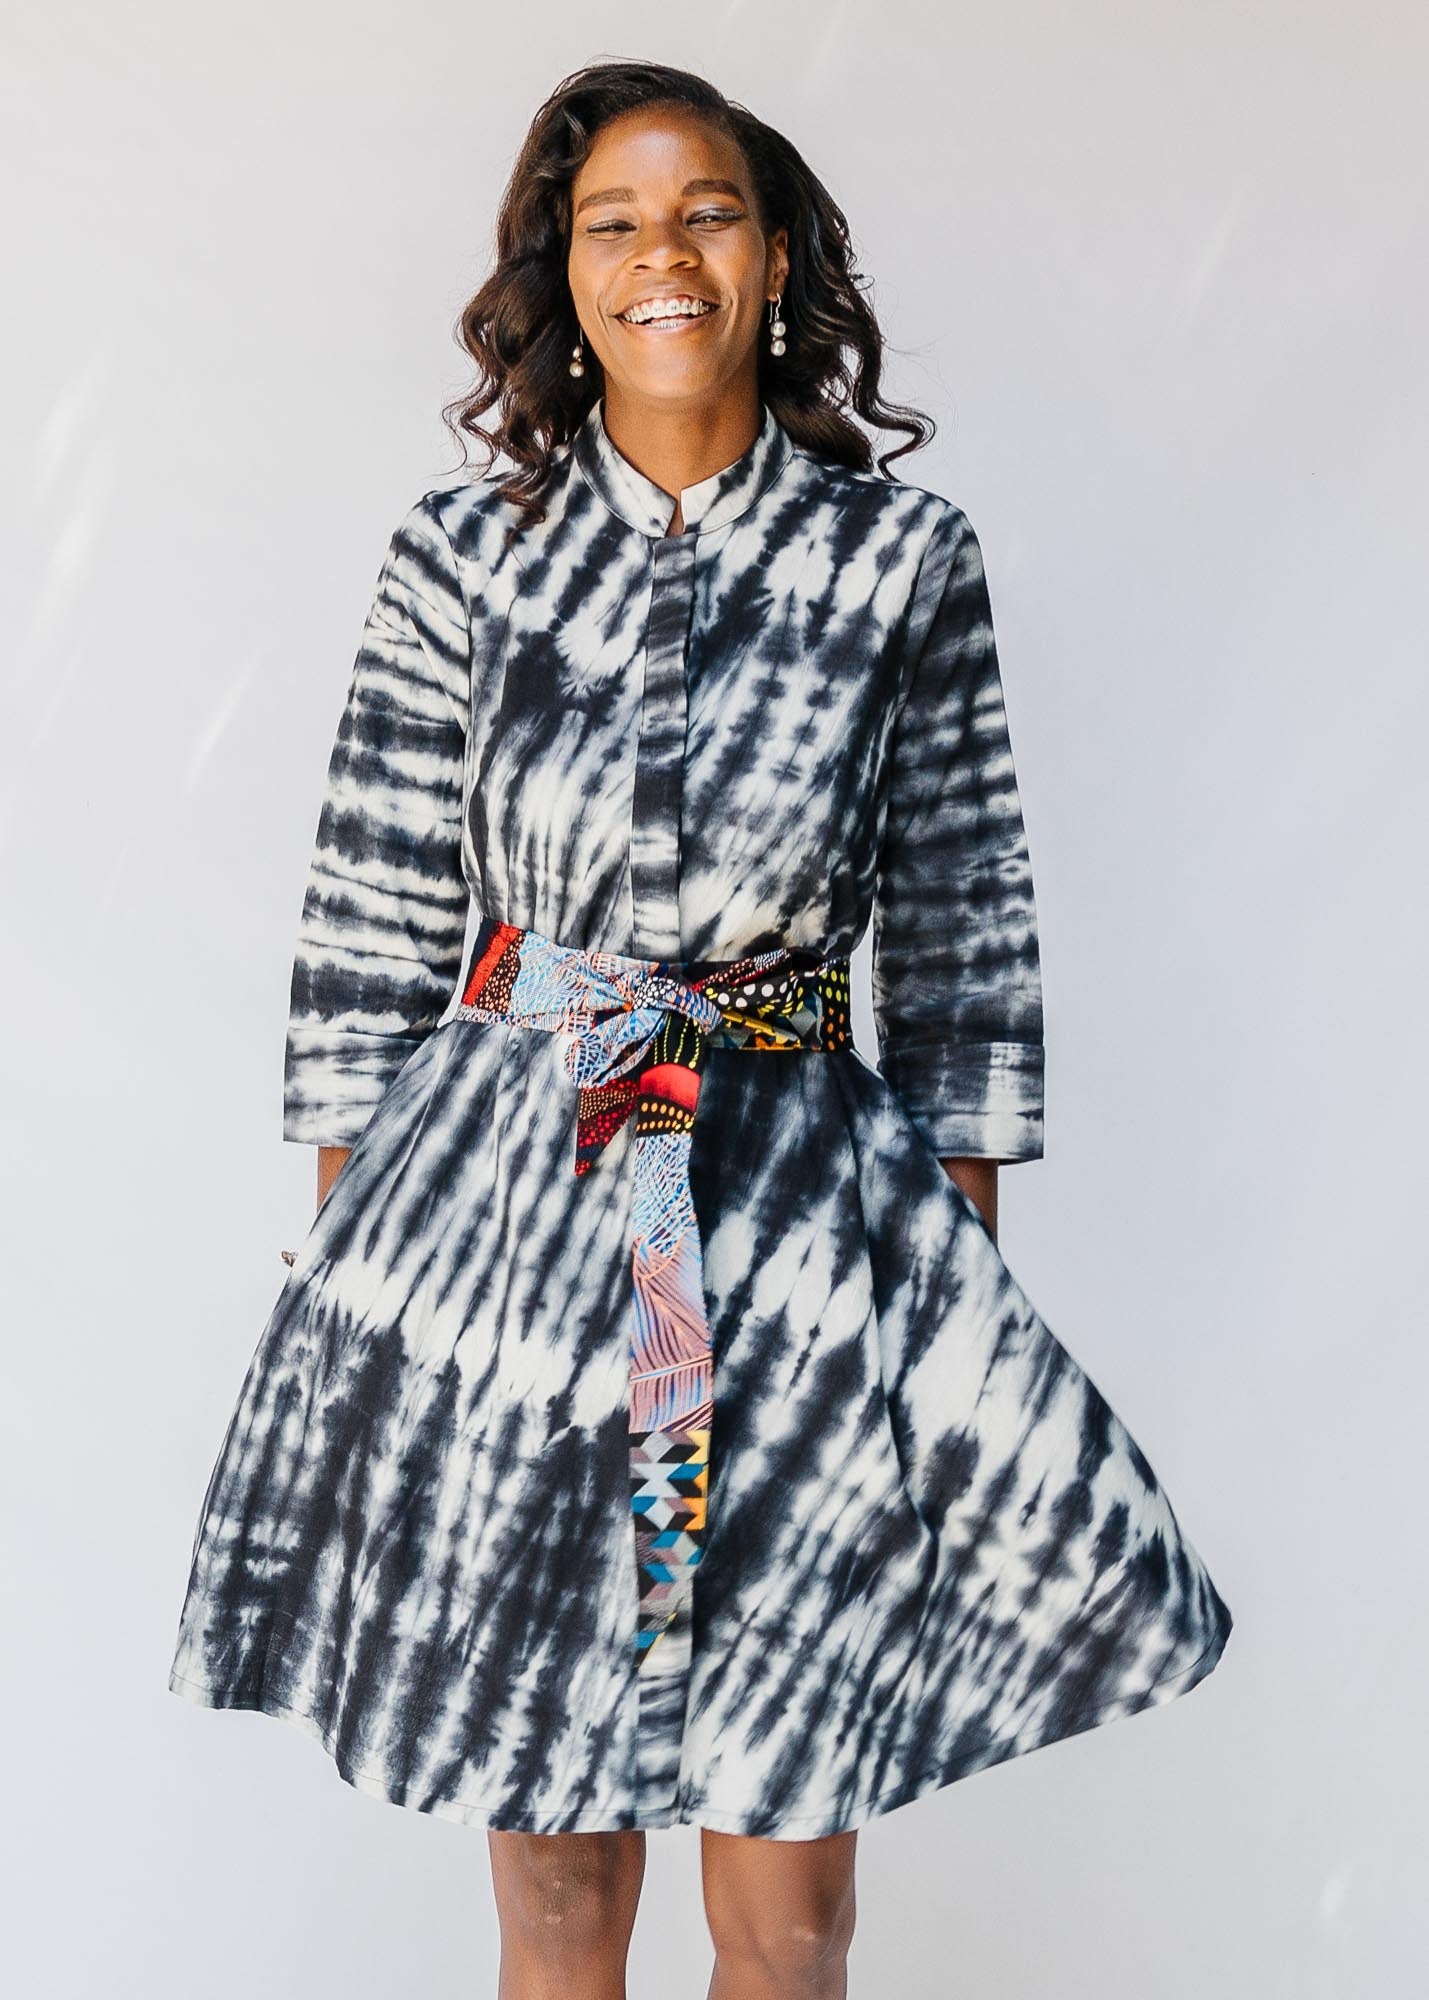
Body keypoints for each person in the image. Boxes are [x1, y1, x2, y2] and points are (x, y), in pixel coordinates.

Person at [167, 57, 1232, 2000]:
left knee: (789, 1903)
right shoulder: (456, 558)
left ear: (776, 257)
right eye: (611, 224)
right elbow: (369, 919)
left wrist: (959, 1291)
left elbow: (967, 930)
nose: (661, 254)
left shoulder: (897, 562)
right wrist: (346, 1288)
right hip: (506, 1230)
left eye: (707, 212)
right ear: (556, 279)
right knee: (557, 1878)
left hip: (806, 1236)